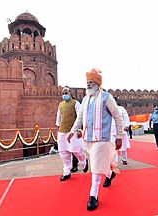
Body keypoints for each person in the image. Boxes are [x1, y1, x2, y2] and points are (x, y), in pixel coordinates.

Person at [67, 68, 124, 211]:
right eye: (87, 82)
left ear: (97, 83)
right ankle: (110, 174)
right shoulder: (85, 99)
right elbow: (79, 118)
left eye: (91, 82)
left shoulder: (106, 97)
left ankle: (93, 195)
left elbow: (117, 117)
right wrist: (72, 131)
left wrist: (118, 136)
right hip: (88, 139)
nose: (88, 84)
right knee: (98, 163)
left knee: (96, 167)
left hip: (102, 139)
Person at [56, 87, 88, 181]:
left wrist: (79, 130)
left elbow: (79, 117)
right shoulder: (60, 105)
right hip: (62, 132)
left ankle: (83, 161)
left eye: (66, 92)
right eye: (63, 93)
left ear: (70, 93)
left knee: (76, 150)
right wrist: (57, 128)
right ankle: (66, 172)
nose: (64, 95)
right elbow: (58, 117)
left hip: (72, 132)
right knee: (63, 152)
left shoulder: (75, 103)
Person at [111, 97, 131, 165]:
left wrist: (126, 125)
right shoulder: (107, 109)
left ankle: (124, 159)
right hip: (111, 131)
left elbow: (126, 117)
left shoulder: (121, 109)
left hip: (120, 130)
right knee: (113, 147)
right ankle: (115, 163)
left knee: (122, 146)